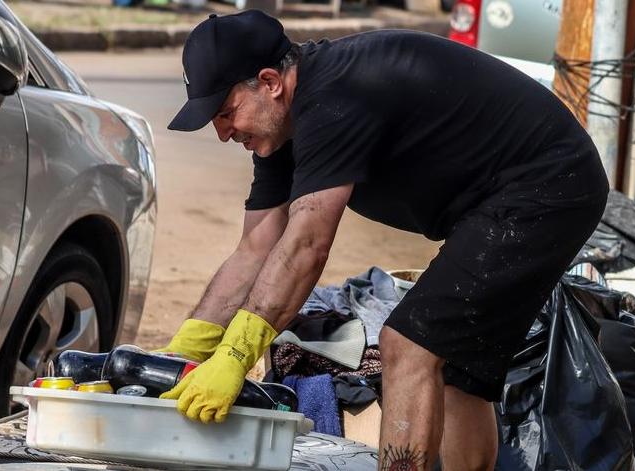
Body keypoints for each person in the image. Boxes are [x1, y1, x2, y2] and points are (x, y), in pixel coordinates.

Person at [157, 10, 609, 471]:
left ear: (271, 81)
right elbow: (256, 248)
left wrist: (235, 355)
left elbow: (306, 246)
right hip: (506, 196)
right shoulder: (280, 128)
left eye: (226, 113)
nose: (222, 132)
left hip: (548, 183)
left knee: (408, 344)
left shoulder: (334, 97)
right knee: (457, 372)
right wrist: (184, 352)